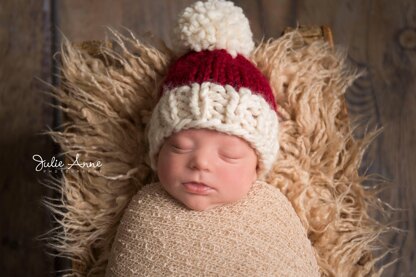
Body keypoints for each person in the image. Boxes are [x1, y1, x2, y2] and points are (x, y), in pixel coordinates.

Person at [106, 0, 320, 276]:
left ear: (257, 166)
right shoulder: (145, 212)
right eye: (180, 147)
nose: (201, 163)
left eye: (229, 154)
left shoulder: (271, 213)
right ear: (157, 152)